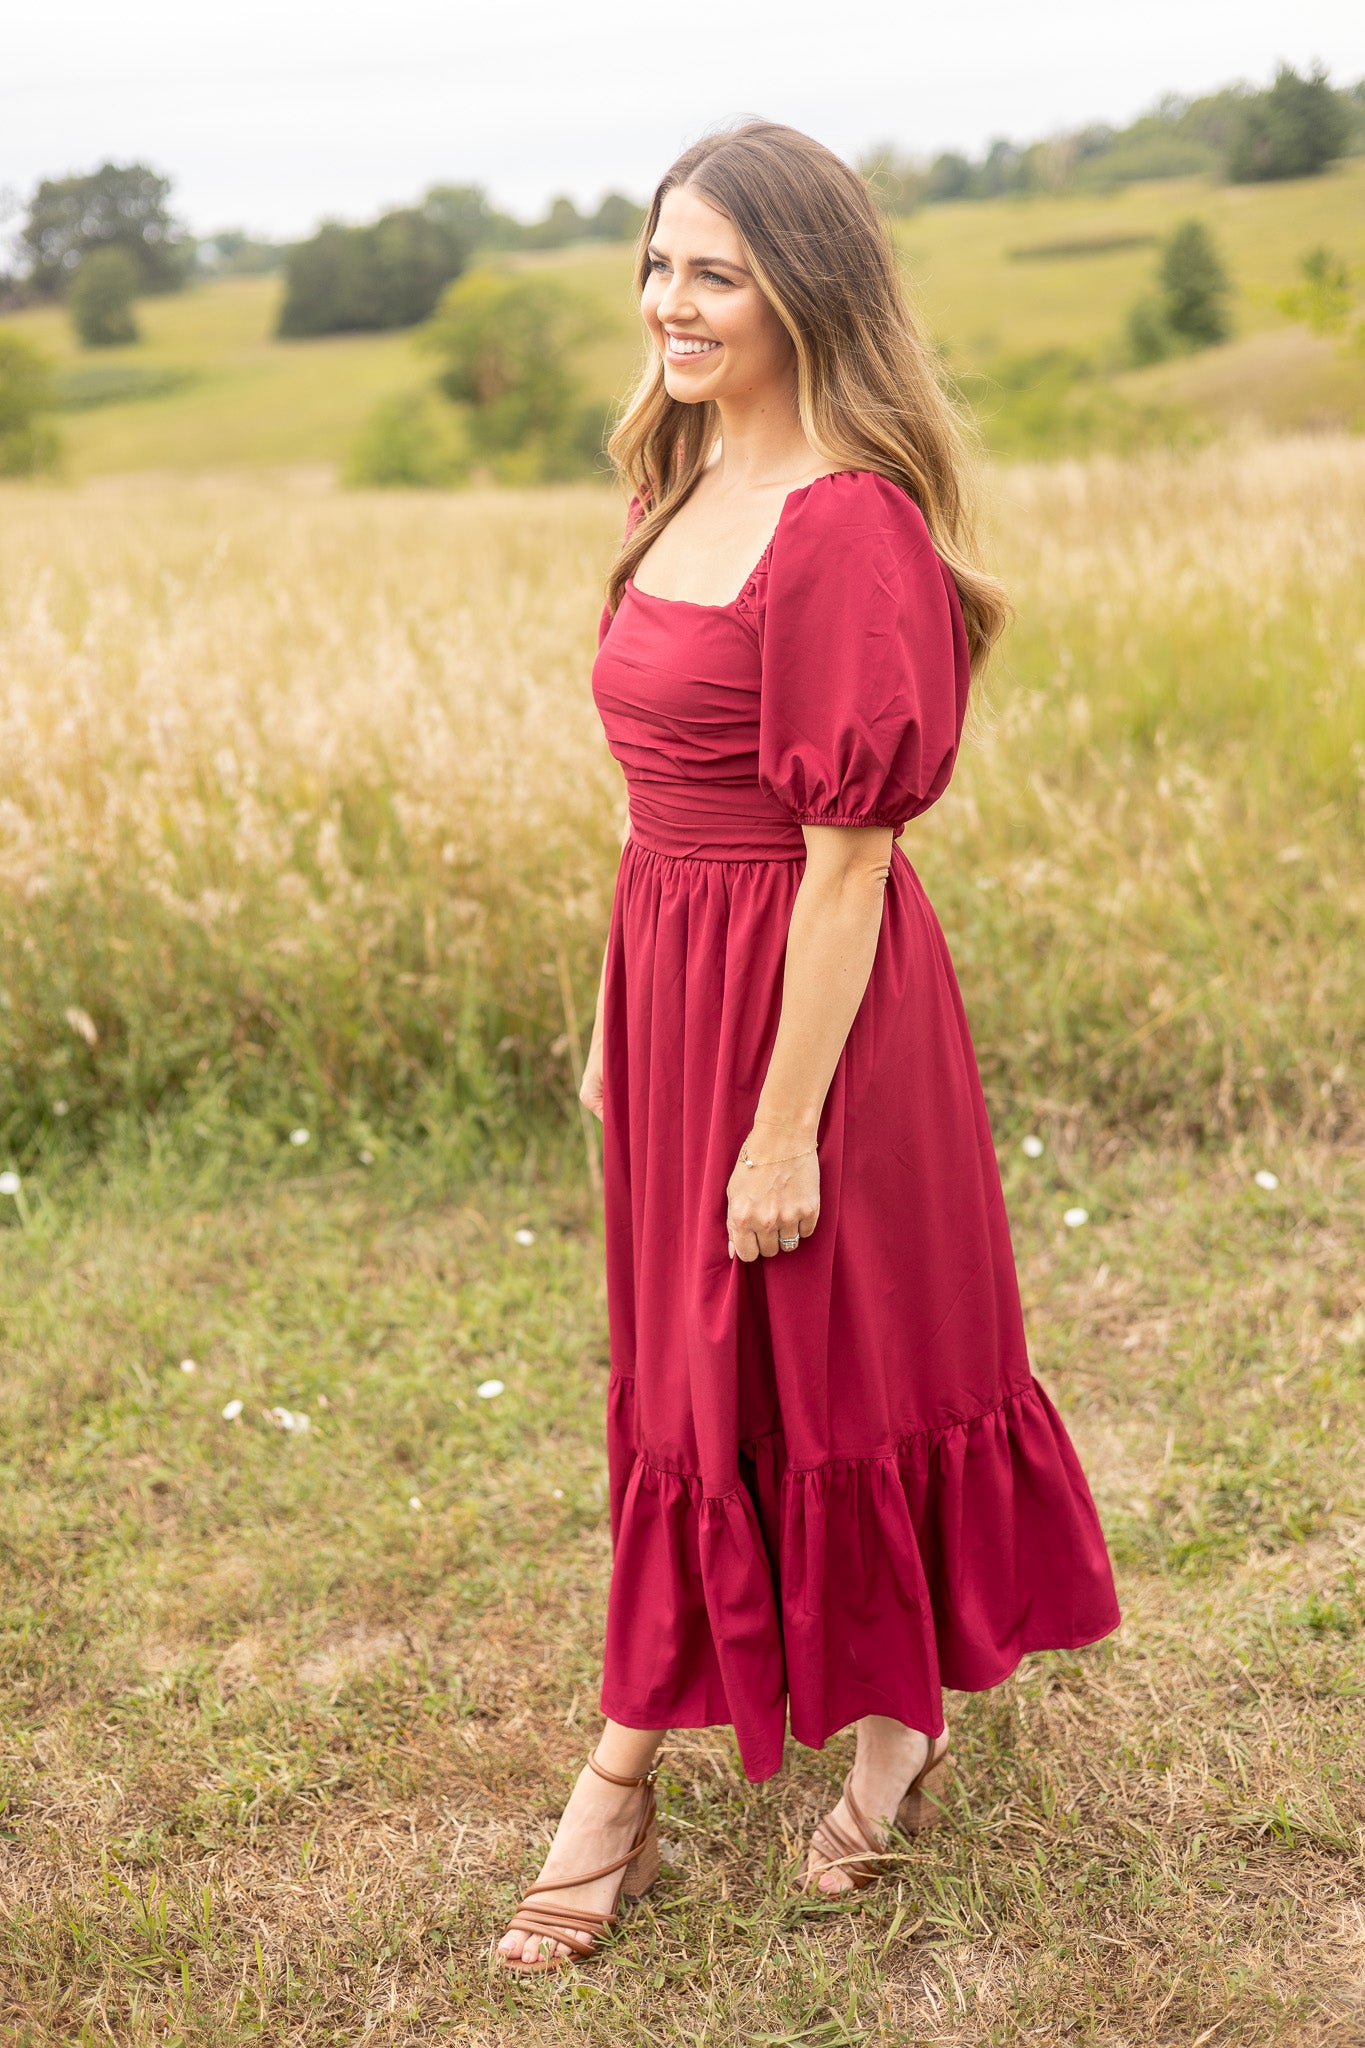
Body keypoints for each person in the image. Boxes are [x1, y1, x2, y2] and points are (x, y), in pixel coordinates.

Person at [496, 120, 1120, 1972]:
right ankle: (656, 1747)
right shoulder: (671, 478)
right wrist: (616, 1016)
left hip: (811, 1007)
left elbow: (842, 871)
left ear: (804, 290)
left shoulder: (847, 522)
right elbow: (644, 812)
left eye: (717, 271)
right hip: (677, 984)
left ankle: (754, 1752)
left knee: (837, 1362)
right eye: (659, 263)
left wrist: (781, 1131)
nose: (673, 303)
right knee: (697, 1378)